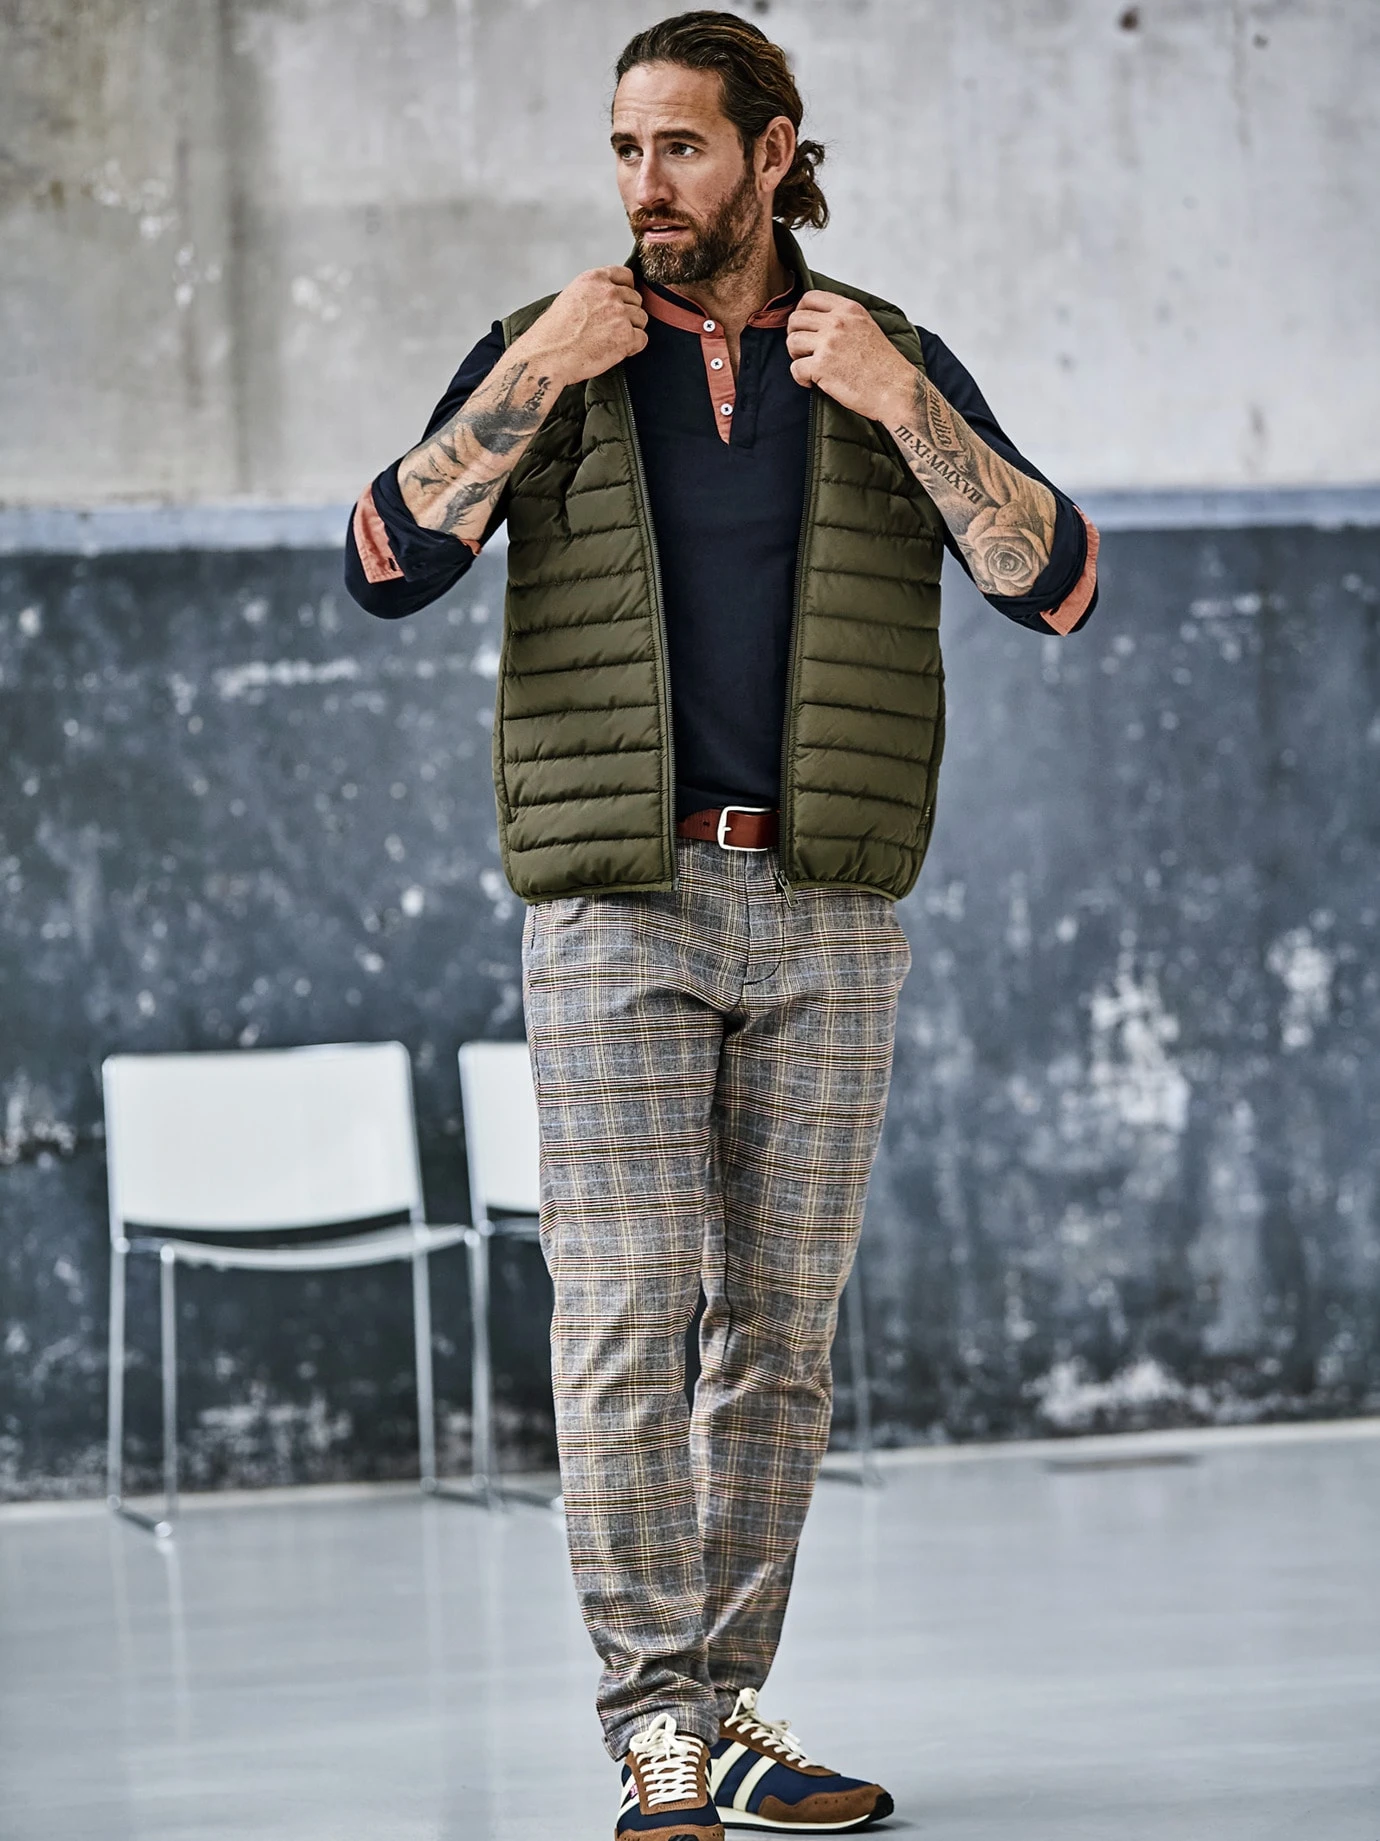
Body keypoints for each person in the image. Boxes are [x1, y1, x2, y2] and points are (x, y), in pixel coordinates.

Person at [345, 13, 1098, 1836]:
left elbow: (1058, 585)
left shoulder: (885, 354)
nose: (645, 185)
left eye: (679, 146)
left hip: (831, 905)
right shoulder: (558, 350)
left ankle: (731, 1708)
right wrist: (538, 364)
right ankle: (653, 1727)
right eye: (624, 149)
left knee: (777, 1337)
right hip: (619, 900)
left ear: (773, 152)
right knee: (623, 1317)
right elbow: (383, 563)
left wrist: (902, 403)